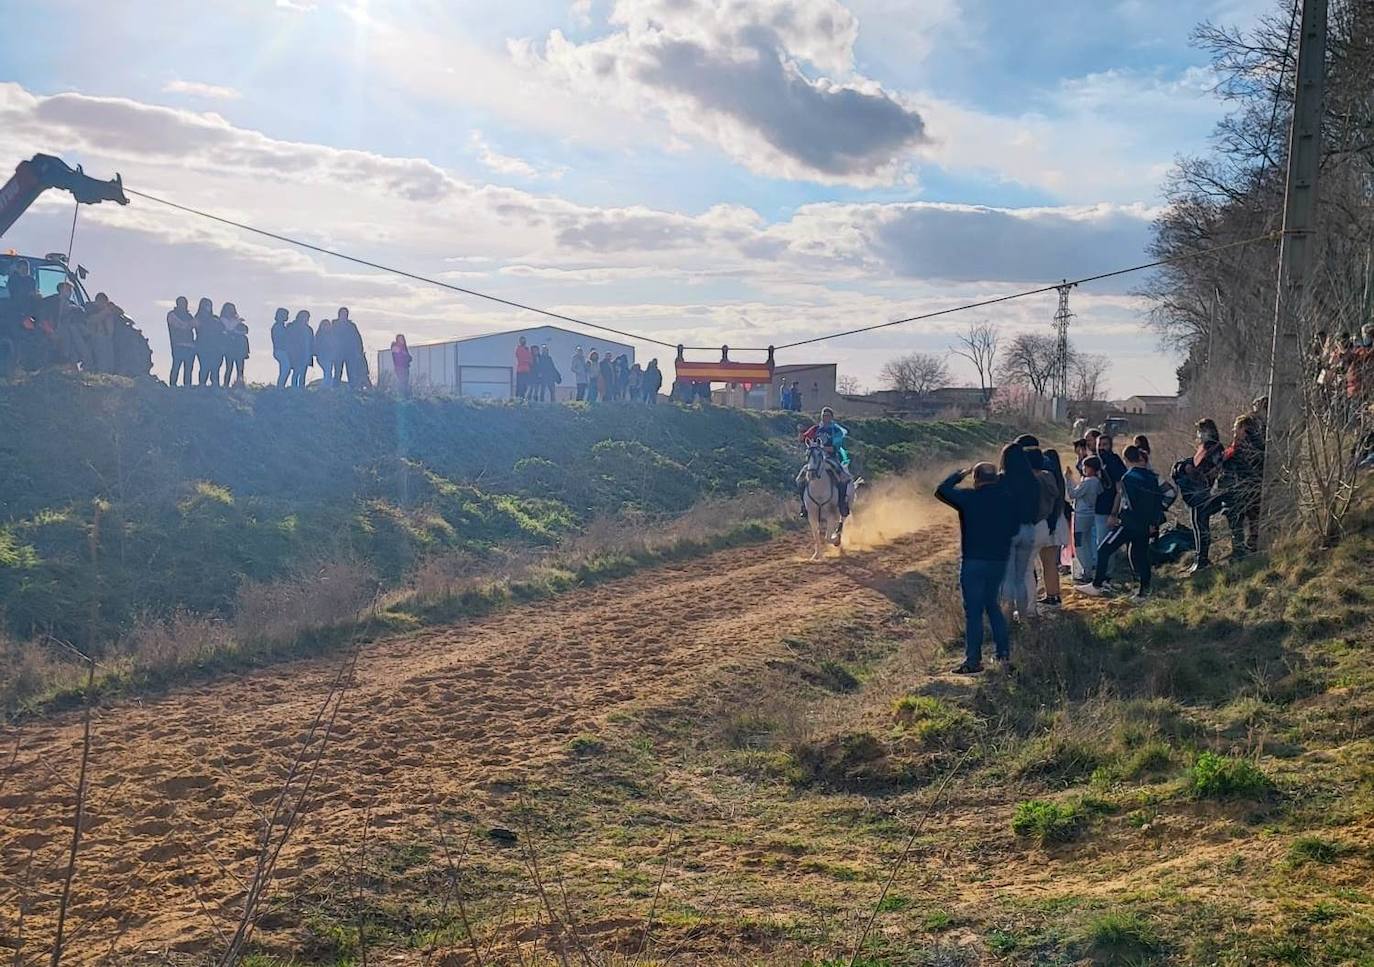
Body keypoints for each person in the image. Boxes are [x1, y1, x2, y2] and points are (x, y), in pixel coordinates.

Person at [935, 462, 1016, 674]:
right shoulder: (1007, 499)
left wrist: (958, 474)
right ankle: (1003, 656)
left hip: (973, 560)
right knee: (993, 606)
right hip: (999, 560)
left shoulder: (969, 498)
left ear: (976, 479)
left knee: (974, 612)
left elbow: (941, 491)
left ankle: (973, 661)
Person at [1078, 445, 1166, 601]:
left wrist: (1119, 516)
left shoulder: (1129, 477)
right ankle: (1144, 591)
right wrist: (1154, 520)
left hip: (1129, 523)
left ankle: (1097, 584)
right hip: (1145, 524)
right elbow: (1162, 497)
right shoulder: (1152, 477)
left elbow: (1128, 502)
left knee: (1104, 549)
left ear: (1126, 459)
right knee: (1141, 556)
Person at [1174, 418, 1226, 572]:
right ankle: (1199, 557)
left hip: (1205, 491)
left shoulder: (1216, 447)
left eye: (1202, 430)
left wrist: (1198, 475)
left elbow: (1216, 469)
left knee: (1201, 524)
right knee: (1196, 523)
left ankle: (1203, 559)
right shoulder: (1202, 447)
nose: (1199, 434)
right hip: (1195, 491)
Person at [998, 442, 1042, 619]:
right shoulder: (1033, 480)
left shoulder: (1002, 480)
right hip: (1029, 530)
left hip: (1008, 531)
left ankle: (1007, 616)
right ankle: (1023, 615)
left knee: (1007, 577)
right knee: (1021, 576)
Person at [797, 407, 854, 519]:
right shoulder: (816, 429)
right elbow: (804, 439)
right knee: (799, 479)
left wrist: (823, 448)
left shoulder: (836, 430)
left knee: (843, 479)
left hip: (831, 458)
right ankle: (804, 505)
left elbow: (836, 447)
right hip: (816, 459)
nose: (825, 417)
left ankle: (842, 504)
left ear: (831, 417)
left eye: (827, 415)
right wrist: (801, 435)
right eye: (823, 415)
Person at [1222, 413, 1264, 557]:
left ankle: (1245, 549)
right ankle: (1244, 548)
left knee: (1247, 519)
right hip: (1246, 487)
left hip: (1246, 488)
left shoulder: (1248, 447)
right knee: (1249, 520)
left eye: (1236, 429)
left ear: (1243, 429)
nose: (1234, 433)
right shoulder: (1252, 445)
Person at [1092, 434, 1127, 577]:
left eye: (1104, 445)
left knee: (1104, 544)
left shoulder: (1113, 461)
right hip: (1096, 508)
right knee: (1098, 543)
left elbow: (1120, 489)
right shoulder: (1096, 461)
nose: (1101, 448)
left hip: (1108, 510)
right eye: (1099, 445)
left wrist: (1114, 513)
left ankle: (1107, 575)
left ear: (1110, 446)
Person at [1066, 455, 1103, 582]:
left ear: (1090, 468)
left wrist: (1068, 480)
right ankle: (1089, 568)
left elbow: (1073, 494)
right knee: (1087, 542)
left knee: (1079, 544)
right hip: (1091, 514)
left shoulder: (1088, 482)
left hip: (1081, 515)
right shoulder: (1097, 482)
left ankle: (1086, 571)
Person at [1040, 448, 1070, 607]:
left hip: (1049, 524)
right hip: (1059, 522)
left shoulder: (1046, 477)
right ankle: (1054, 595)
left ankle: (1051, 596)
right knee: (1051, 562)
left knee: (1047, 563)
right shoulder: (1059, 478)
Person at [167, 296, 197, 386]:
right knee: (176, 366)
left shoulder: (189, 316)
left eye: (185, 303)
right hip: (178, 345)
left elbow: (194, 325)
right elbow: (182, 326)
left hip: (190, 346)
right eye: (181, 303)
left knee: (188, 369)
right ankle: (172, 386)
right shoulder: (172, 315)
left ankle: (187, 387)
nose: (183, 305)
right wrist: (188, 325)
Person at [334, 308, 367, 387]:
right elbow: (331, 338)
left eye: (345, 314)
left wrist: (360, 350)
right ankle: (336, 389)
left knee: (351, 373)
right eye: (342, 313)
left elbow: (357, 339)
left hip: (350, 353)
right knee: (338, 372)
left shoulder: (351, 326)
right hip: (338, 353)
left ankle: (352, 389)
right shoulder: (335, 325)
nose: (344, 315)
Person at [193, 298, 222, 386]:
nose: (207, 307)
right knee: (204, 367)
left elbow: (221, 329)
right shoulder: (198, 318)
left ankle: (215, 386)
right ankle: (202, 385)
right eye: (205, 305)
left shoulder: (215, 319)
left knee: (215, 368)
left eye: (208, 305)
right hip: (202, 346)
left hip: (215, 347)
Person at [219, 302, 249, 387]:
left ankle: (240, 385)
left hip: (239, 347)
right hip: (229, 347)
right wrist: (235, 328)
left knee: (240, 368)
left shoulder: (237, 320)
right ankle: (226, 385)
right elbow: (228, 328)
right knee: (229, 367)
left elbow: (245, 330)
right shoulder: (222, 320)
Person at [284, 309, 314, 388]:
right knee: (296, 372)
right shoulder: (293, 327)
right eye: (303, 316)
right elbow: (289, 340)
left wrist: (312, 352)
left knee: (303, 373)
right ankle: (294, 388)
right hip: (296, 354)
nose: (305, 318)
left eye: (307, 317)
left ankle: (301, 388)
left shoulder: (309, 329)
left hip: (306, 354)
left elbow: (311, 341)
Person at [270, 308, 290, 388]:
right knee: (286, 368)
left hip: (281, 350)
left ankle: (281, 386)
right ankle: (280, 386)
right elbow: (281, 339)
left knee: (284, 368)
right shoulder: (277, 327)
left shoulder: (280, 326)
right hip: (280, 350)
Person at [315, 316, 337, 386]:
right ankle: (324, 387)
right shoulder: (320, 336)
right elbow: (318, 347)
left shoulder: (331, 335)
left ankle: (327, 387)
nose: (326, 327)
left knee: (328, 372)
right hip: (323, 357)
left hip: (329, 357)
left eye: (327, 325)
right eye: (324, 325)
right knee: (328, 372)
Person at [514, 336, 533, 400]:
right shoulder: (518, 349)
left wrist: (528, 361)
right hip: (520, 371)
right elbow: (521, 359)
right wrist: (528, 360)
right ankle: (518, 399)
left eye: (524, 340)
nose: (523, 342)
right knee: (520, 386)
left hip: (527, 371)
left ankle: (523, 398)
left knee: (525, 386)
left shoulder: (527, 349)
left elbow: (531, 359)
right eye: (522, 340)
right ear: (520, 341)